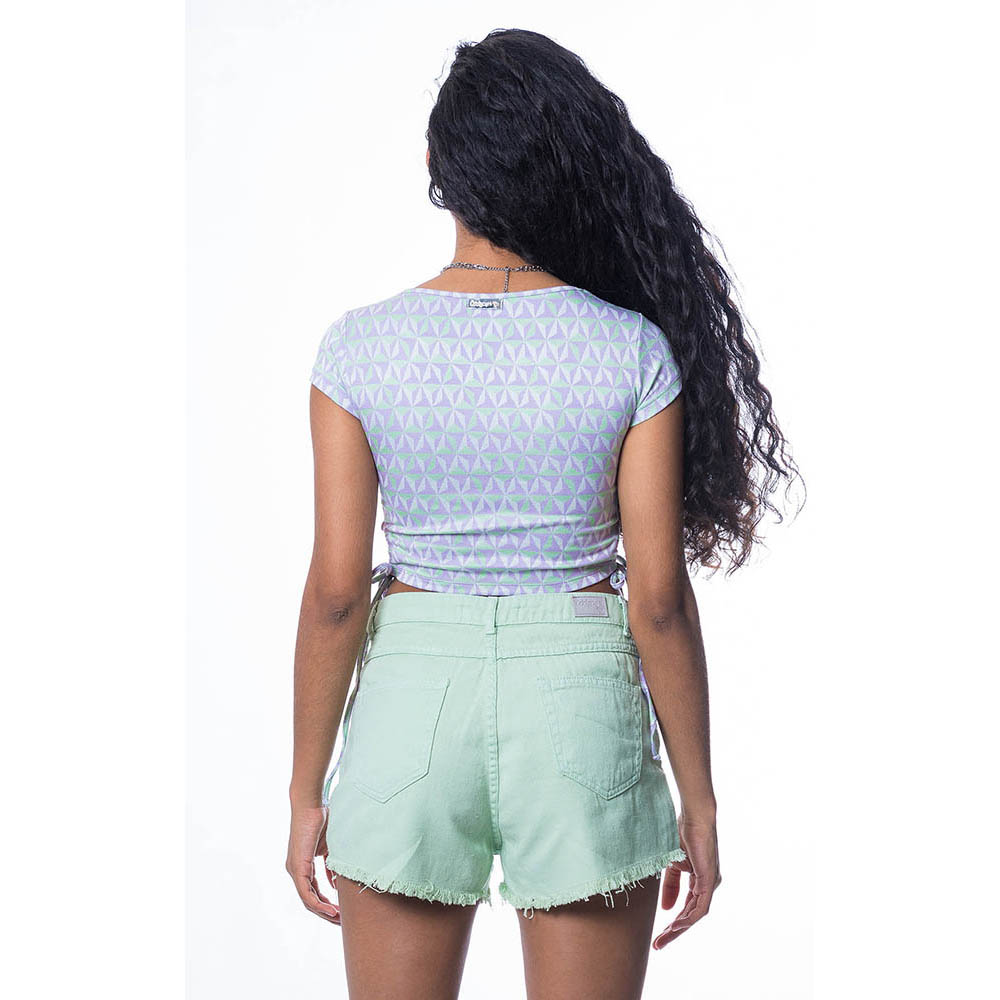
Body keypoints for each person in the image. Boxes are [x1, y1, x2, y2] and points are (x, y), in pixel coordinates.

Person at [286, 27, 801, 1000]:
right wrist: (698, 796)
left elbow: (337, 593)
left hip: (410, 699)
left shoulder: (357, 349)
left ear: (436, 165)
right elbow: (657, 601)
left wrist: (305, 788)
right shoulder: (629, 348)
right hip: (580, 697)